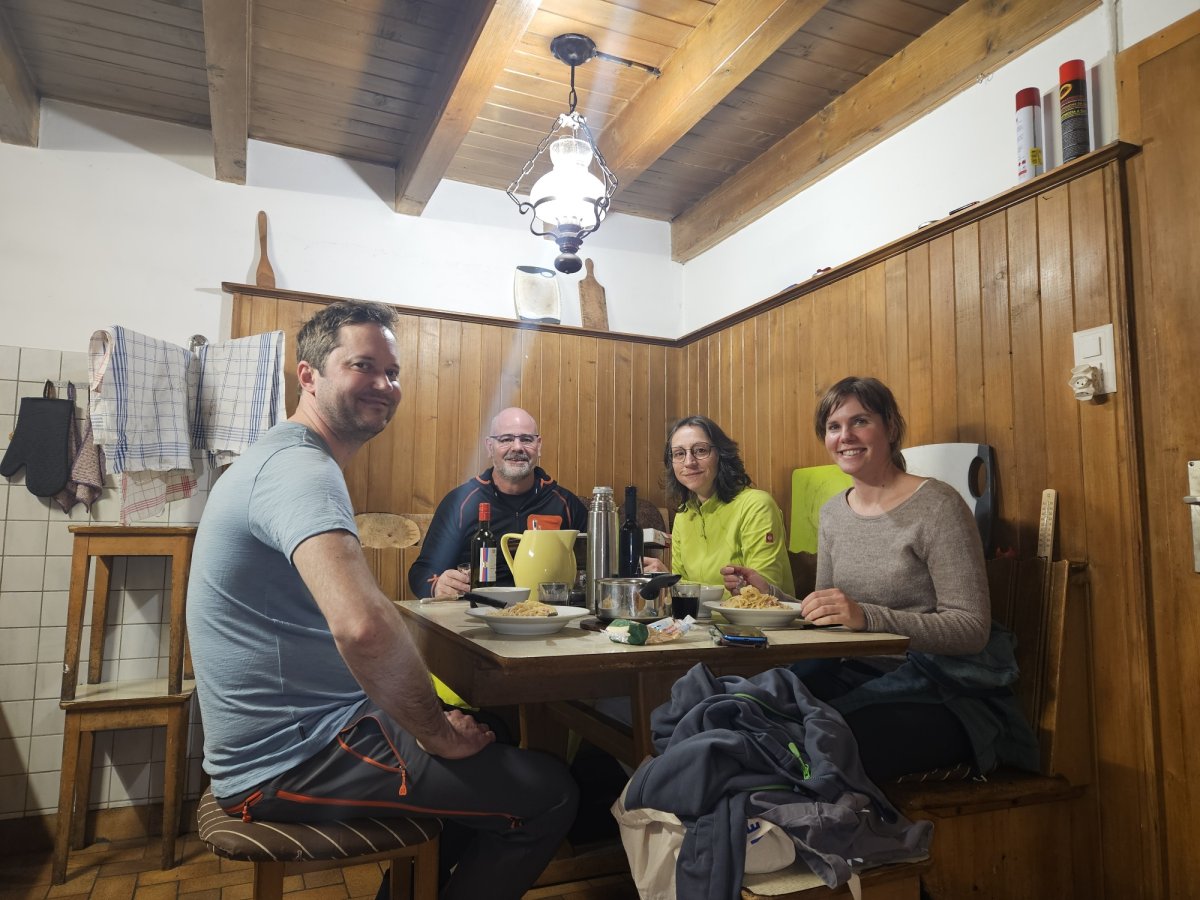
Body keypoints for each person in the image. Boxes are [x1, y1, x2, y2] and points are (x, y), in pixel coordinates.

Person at [186, 301, 577, 900]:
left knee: (490, 732)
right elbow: (364, 627)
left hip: (311, 729)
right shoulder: (301, 470)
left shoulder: (285, 457)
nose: (384, 385)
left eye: (392, 372)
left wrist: (432, 725)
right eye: (362, 366)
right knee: (549, 793)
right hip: (289, 759)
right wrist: (435, 733)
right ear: (308, 375)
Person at [723, 376, 1037, 781]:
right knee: (739, 714)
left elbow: (971, 629)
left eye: (860, 421)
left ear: (890, 426)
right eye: (833, 427)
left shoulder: (939, 506)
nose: (845, 436)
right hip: (854, 671)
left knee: (814, 748)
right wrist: (773, 597)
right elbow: (831, 617)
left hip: (942, 689)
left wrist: (869, 617)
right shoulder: (833, 513)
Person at [408, 407, 588, 598]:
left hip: (547, 610)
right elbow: (422, 572)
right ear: (489, 446)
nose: (517, 447)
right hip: (477, 611)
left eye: (526, 439)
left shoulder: (564, 503)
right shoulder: (460, 503)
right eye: (506, 439)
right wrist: (438, 586)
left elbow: (597, 568)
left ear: (539, 445)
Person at [644, 415, 793, 596]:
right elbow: (682, 593)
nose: (689, 462)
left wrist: (676, 586)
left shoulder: (757, 505)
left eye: (700, 450)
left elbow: (762, 594)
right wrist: (667, 580)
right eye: (679, 454)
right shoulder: (683, 516)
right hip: (698, 616)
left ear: (721, 455)